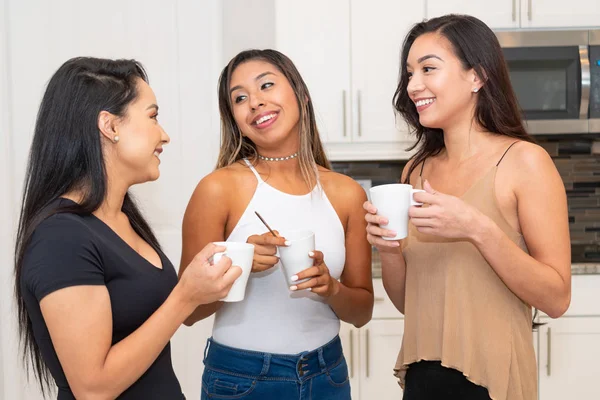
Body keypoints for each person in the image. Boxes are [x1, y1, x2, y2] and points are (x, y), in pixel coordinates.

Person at [364, 14, 571, 400]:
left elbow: (556, 299)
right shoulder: (417, 170)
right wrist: (389, 249)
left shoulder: (525, 162)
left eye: (428, 69)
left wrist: (476, 228)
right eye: (409, 73)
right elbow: (412, 302)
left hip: (492, 381)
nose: (413, 85)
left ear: (476, 77)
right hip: (422, 379)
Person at [14, 57, 242, 399]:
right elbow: (93, 388)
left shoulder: (122, 216)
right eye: (152, 116)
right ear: (110, 126)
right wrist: (184, 296)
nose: (163, 135)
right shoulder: (61, 237)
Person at [180, 49, 373, 400]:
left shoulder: (348, 194)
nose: (254, 102)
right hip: (241, 380)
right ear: (234, 117)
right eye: (240, 98)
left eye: (266, 85)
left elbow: (362, 312)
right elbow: (188, 312)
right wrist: (240, 265)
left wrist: (331, 288)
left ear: (301, 94)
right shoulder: (217, 189)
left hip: (327, 376)